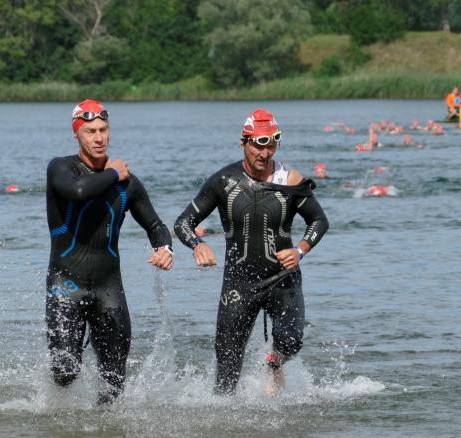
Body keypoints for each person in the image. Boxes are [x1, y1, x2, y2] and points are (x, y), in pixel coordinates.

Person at [174, 108, 329, 395]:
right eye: (259, 145)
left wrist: (300, 250)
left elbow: (319, 220)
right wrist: (198, 245)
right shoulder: (223, 181)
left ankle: (274, 363)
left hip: (282, 278)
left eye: (271, 146)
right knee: (226, 375)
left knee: (291, 342)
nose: (265, 153)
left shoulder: (289, 179)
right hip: (239, 283)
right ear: (243, 142)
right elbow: (183, 223)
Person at [46, 99, 173, 404]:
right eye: (90, 131)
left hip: (109, 289)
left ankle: (102, 434)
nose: (99, 138)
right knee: (65, 372)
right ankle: (62, 424)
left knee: (114, 385)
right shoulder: (61, 168)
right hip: (66, 286)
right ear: (76, 133)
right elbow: (78, 191)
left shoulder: (128, 184)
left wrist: (164, 247)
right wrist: (114, 173)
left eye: (103, 130)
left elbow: (155, 225)